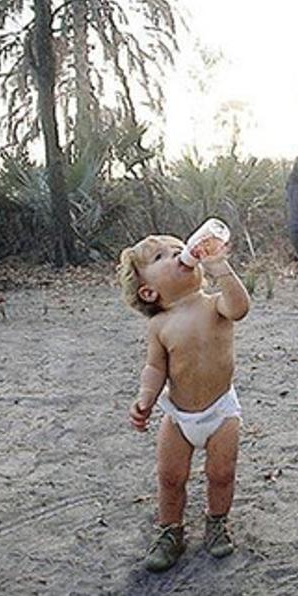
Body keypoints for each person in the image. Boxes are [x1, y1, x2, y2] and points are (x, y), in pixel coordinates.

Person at [117, 233, 250, 572]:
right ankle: (170, 531)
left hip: (221, 411)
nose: (179, 253)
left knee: (221, 473)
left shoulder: (213, 303)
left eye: (179, 248)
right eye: (162, 256)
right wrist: (145, 398)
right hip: (177, 416)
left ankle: (217, 522)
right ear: (149, 292)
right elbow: (155, 367)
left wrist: (220, 266)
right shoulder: (160, 325)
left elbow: (240, 308)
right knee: (170, 477)